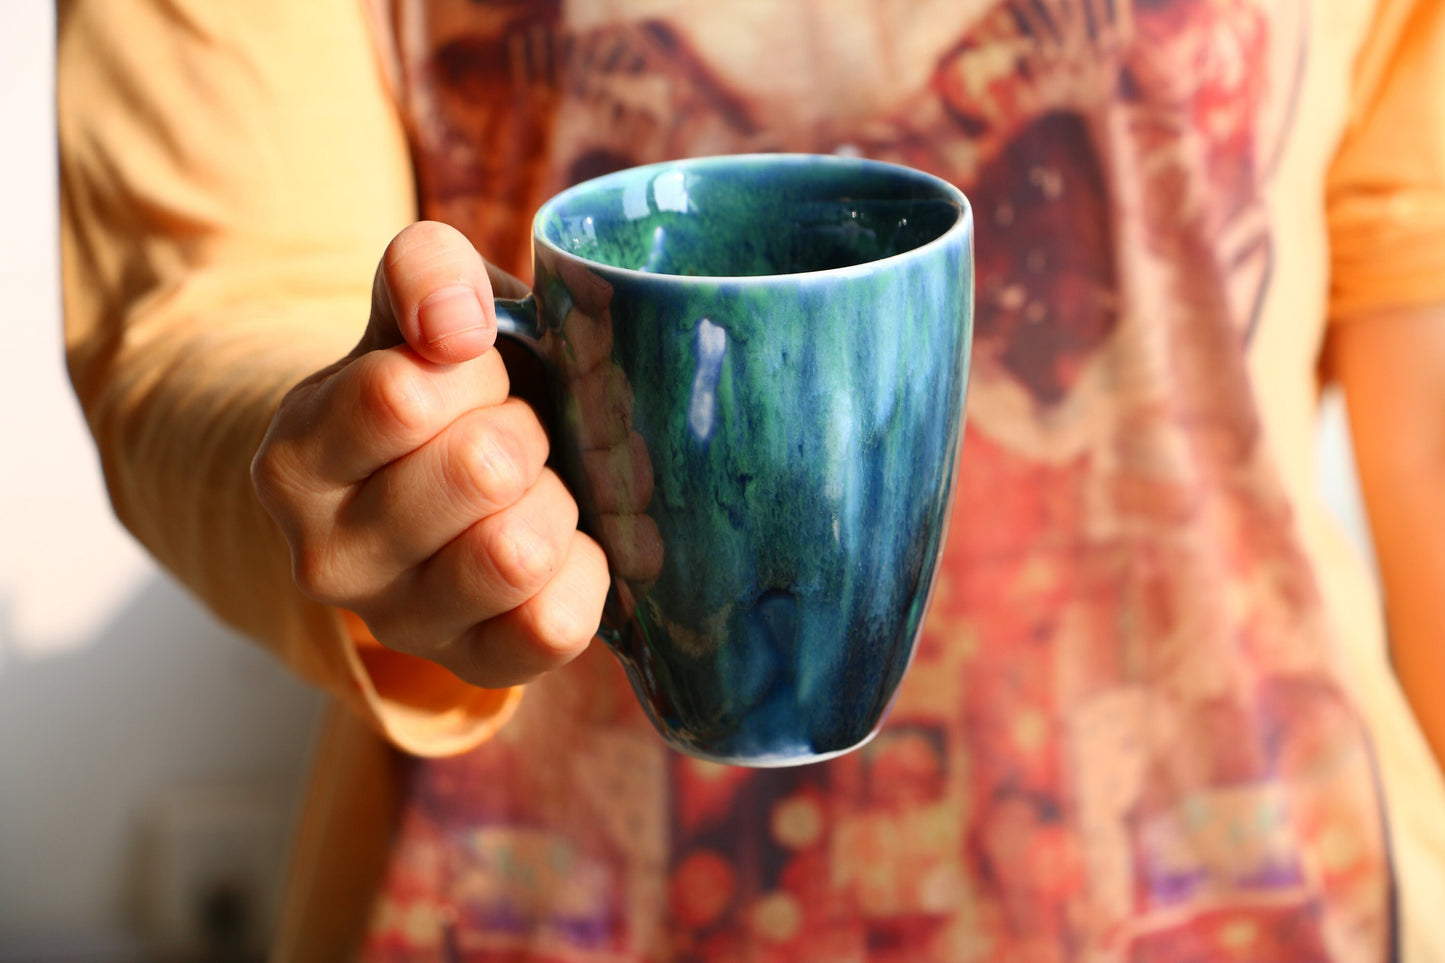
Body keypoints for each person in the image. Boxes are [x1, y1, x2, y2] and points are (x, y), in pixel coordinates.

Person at [57, 0, 1445, 960]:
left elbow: (1419, 285)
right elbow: (203, 296)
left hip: (1265, 894)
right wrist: (390, 452)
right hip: (520, 909)